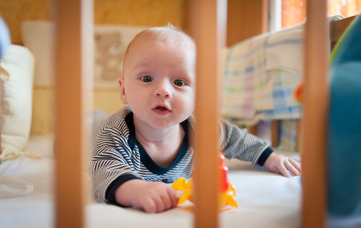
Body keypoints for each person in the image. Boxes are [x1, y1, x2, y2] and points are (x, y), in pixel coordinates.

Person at [90, 25, 301, 214]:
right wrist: (136, 189)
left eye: (179, 82)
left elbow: (236, 138)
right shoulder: (116, 133)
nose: (163, 90)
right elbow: (102, 168)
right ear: (124, 90)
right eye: (147, 78)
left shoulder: (202, 130)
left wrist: (270, 157)